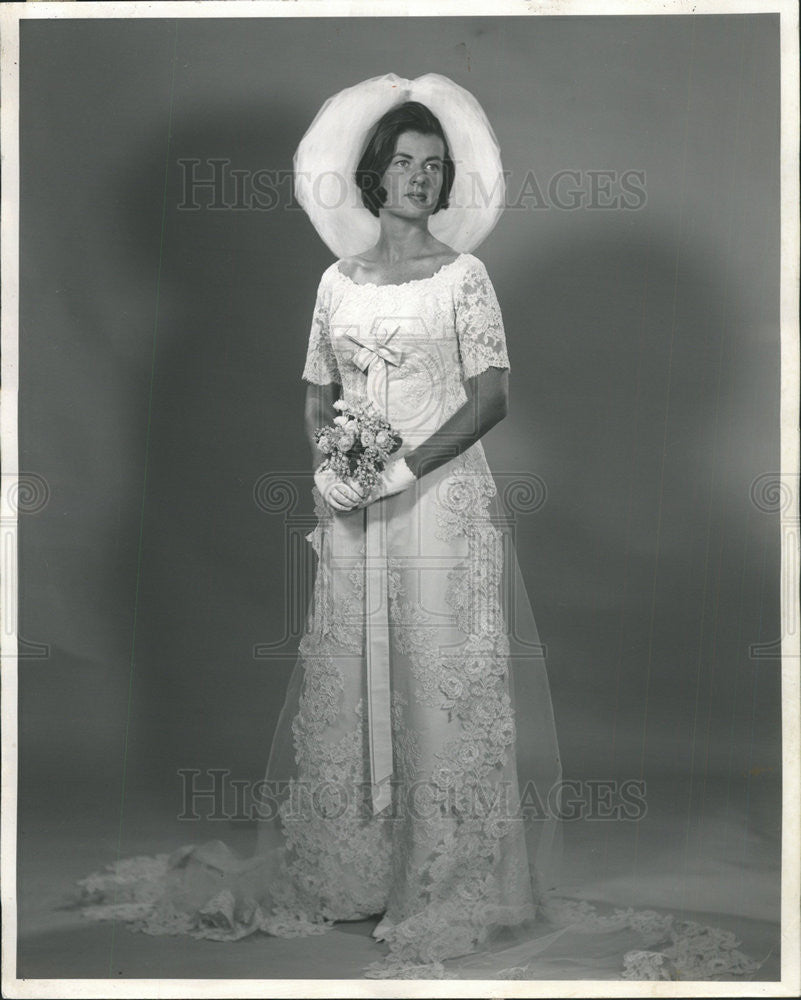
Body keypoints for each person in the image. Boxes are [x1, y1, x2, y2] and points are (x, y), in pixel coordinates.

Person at [72, 73, 766, 982]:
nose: (418, 180)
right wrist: (336, 466)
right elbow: (319, 391)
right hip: (355, 498)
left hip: (440, 496)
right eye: (402, 164)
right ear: (371, 175)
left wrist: (398, 469)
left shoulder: (463, 278)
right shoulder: (335, 281)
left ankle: (453, 880)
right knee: (352, 668)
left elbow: (491, 400)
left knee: (442, 679)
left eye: (433, 167)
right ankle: (351, 865)